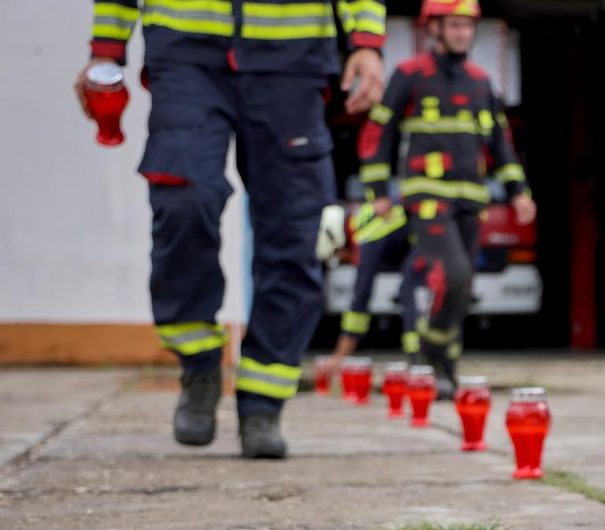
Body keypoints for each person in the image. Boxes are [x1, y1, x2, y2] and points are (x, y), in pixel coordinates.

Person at [77, 0, 386, 458]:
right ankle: (199, 365)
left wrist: (366, 42)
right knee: (183, 200)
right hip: (186, 56)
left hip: (290, 59)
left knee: (299, 234)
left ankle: (264, 402)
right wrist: (106, 50)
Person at [358, 0, 535, 399]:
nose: (462, 33)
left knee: (461, 286)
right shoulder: (409, 76)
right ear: (434, 28)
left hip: (472, 201)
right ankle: (430, 354)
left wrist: (518, 192)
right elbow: (378, 135)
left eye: (467, 26)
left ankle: (443, 368)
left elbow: (501, 144)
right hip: (427, 198)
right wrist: (378, 193)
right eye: (454, 25)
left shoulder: (480, 82)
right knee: (453, 275)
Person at [316, 202, 413, 379]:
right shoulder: (362, 217)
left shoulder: (366, 234)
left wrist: (339, 356)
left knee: (409, 295)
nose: (343, 258)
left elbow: (361, 296)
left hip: (428, 245)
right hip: (429, 242)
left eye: (338, 253)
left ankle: (419, 363)